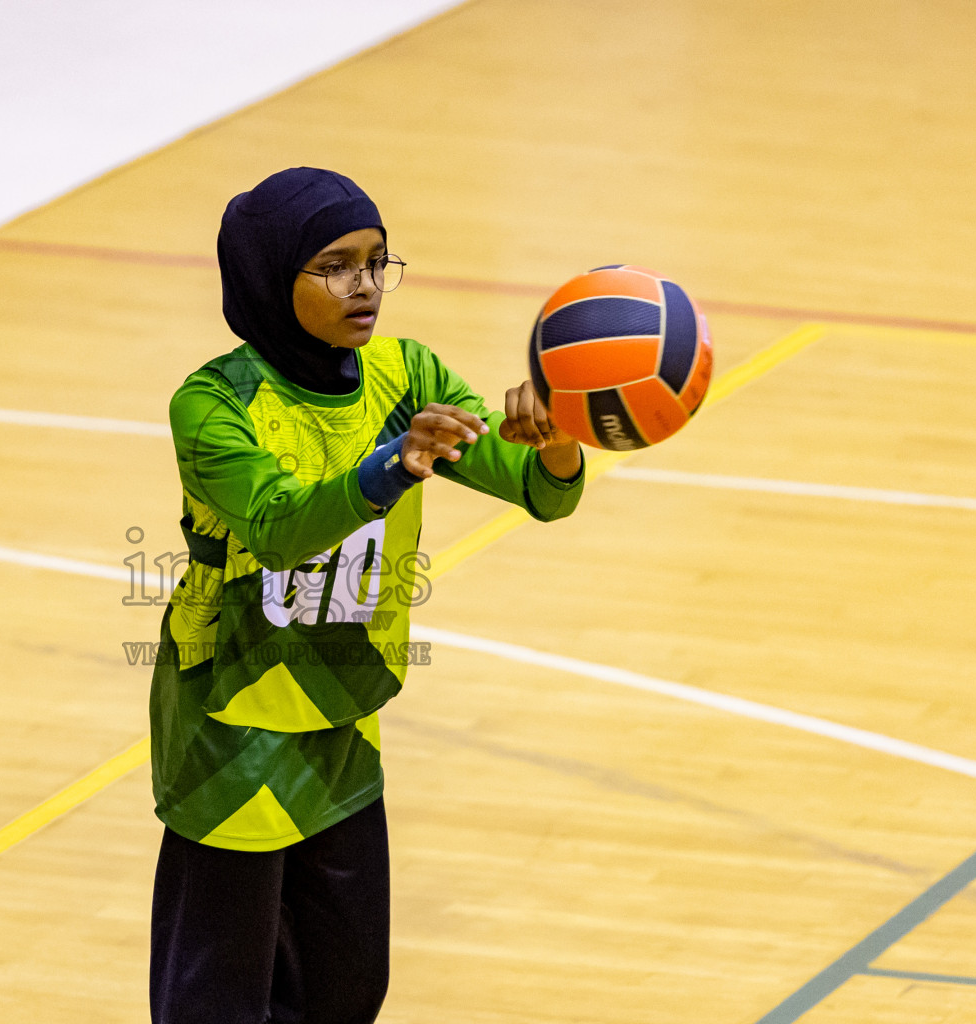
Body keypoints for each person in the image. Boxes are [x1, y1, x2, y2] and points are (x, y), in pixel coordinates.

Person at [149, 167, 585, 1023]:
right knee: (219, 1002)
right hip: (232, 729)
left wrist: (558, 437)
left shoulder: (407, 375)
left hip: (341, 720)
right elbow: (280, 526)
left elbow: (540, 490)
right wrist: (392, 465)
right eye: (335, 265)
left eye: (378, 261)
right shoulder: (210, 404)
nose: (365, 286)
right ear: (273, 277)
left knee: (346, 992)